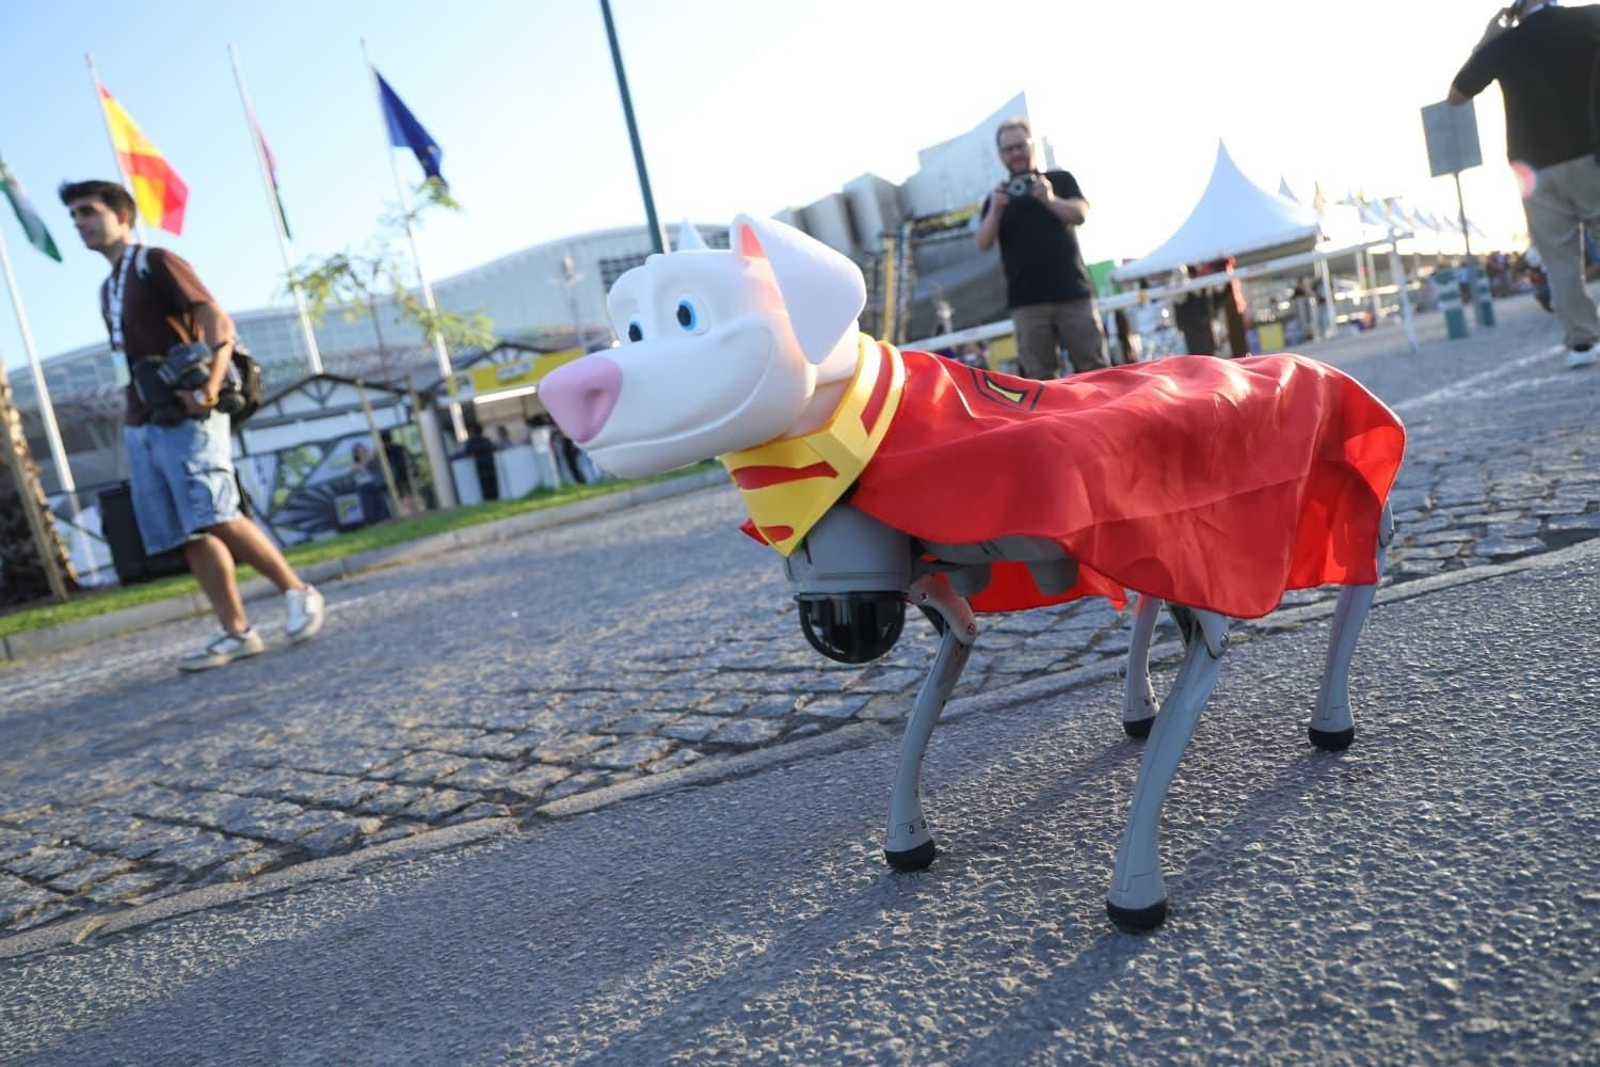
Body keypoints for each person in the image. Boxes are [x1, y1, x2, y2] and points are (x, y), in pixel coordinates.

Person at [60, 179, 325, 671]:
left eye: (88, 211)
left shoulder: (154, 262)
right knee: (187, 530)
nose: (79, 223)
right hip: (144, 419)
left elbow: (216, 320)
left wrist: (209, 388)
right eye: (74, 215)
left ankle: (298, 590)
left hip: (190, 413)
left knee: (215, 510)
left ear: (123, 215)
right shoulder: (108, 288)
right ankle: (236, 631)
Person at [1449, 0, 1600, 369]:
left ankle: (1581, 342)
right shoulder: (1588, 17)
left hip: (1535, 168)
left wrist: (1486, 41)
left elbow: (1457, 96)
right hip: (1591, 152)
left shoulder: (1505, 43)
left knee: (1560, 260)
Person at [974, 118, 1111, 378]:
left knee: (1096, 371)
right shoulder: (998, 196)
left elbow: (1080, 214)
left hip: (1072, 294)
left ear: (1032, 146)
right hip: (1027, 303)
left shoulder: (1059, 180)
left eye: (1021, 146)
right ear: (1000, 155)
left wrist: (1049, 199)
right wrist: (996, 209)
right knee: (1040, 380)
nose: (1016, 153)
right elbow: (982, 243)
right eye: (1009, 149)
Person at [380, 428, 418, 516]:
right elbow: (409, 459)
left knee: (402, 498)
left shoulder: (383, 452)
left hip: (396, 477)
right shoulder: (400, 447)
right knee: (409, 496)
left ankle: (408, 513)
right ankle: (413, 512)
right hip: (405, 475)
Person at [459, 422, 500, 501]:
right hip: (490, 467)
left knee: (486, 490)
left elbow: (466, 453)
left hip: (480, 469)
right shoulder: (486, 441)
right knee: (493, 489)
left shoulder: (471, 443)